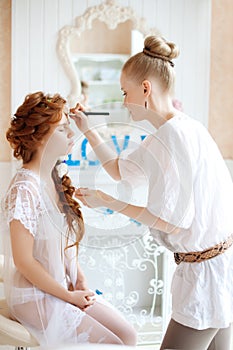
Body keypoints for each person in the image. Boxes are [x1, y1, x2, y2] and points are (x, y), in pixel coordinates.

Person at [71, 35, 233, 350]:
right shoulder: (183, 129)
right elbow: (119, 170)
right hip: (219, 268)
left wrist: (109, 202)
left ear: (145, 89)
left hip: (205, 277)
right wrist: (88, 129)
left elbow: (171, 223)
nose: (123, 102)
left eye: (125, 92)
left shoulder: (171, 139)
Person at [1, 91, 137, 347]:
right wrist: (67, 296)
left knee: (128, 335)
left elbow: (62, 245)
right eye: (64, 129)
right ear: (40, 136)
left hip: (59, 286)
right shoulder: (24, 189)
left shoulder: (52, 178)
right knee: (114, 343)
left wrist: (80, 279)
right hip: (33, 295)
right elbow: (24, 261)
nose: (72, 135)